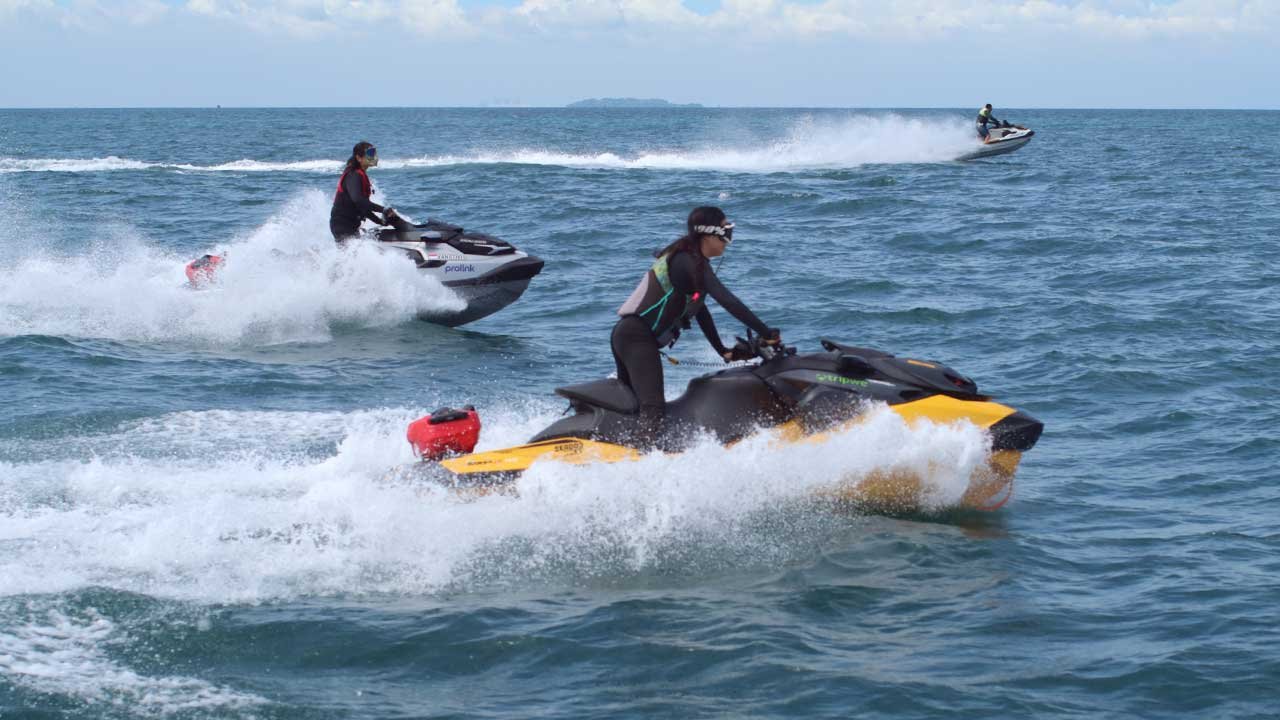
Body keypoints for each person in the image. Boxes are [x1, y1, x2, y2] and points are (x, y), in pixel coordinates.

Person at [612, 206, 780, 445]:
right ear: (709, 234)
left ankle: (623, 446)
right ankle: (639, 462)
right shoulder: (688, 261)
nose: (728, 241)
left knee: (635, 408)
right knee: (652, 408)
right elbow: (727, 300)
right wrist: (767, 332)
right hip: (635, 338)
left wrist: (722, 350)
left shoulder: (690, 260)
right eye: (726, 232)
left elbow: (700, 309)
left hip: (630, 336)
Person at [330, 141, 396, 243]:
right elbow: (358, 200)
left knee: (354, 254)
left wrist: (380, 222)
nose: (374, 157)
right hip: (342, 225)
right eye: (370, 154)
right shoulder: (353, 175)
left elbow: (363, 208)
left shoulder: (360, 174)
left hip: (351, 224)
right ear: (359, 158)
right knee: (351, 255)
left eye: (374, 153)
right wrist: (383, 209)